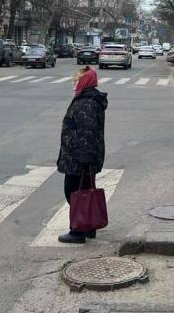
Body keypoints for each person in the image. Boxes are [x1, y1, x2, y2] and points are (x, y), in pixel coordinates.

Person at [57, 66, 108, 244]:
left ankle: (78, 230)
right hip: (80, 156)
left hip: (80, 158)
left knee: (72, 192)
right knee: (84, 191)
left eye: (77, 79)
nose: (74, 82)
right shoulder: (87, 98)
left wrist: (85, 160)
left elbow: (87, 131)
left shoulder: (87, 102)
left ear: (85, 81)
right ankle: (89, 226)